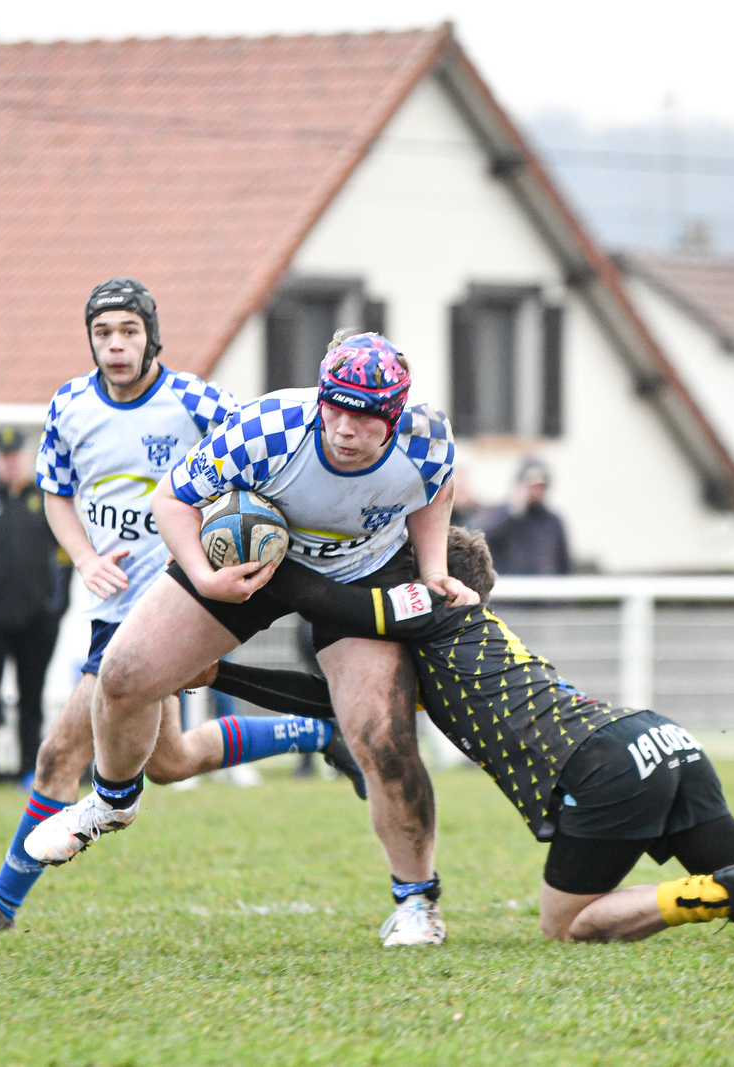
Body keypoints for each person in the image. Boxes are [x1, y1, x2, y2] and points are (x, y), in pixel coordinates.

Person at [189, 528, 734, 943]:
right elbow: (338, 704)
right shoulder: (463, 634)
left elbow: (334, 626)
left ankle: (711, 891)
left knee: (566, 925)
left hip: (604, 766)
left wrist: (267, 580)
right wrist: (225, 672)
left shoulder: (427, 609)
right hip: (659, 738)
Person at [0, 279, 361, 934]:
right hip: (109, 607)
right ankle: (320, 732)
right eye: (103, 333)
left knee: (58, 755)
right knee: (171, 760)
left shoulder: (195, 399)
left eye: (128, 331)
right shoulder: (70, 404)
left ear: (151, 336)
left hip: (169, 606)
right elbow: (56, 493)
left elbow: (268, 451)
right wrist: (84, 557)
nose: (116, 345)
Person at [23, 331, 477, 947]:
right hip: (254, 560)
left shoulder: (428, 437)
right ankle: (111, 801)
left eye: (366, 417)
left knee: (383, 739)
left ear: (394, 416)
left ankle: (417, 900)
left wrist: (434, 569)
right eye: (335, 408)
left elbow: (436, 489)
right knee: (124, 674)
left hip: (359, 572)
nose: (345, 428)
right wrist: (204, 576)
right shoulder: (271, 427)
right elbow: (172, 498)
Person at [0, 426, 67, 782]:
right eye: (4, 456)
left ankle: (29, 769)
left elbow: (66, 557)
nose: (10, 463)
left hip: (38, 620)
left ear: (26, 457)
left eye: (16, 455)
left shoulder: (46, 502)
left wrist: (57, 607)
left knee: (31, 698)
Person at [482, 457, 571, 575]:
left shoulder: (552, 521)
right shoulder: (500, 515)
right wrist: (514, 511)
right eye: (531, 486)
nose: (536, 491)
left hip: (544, 584)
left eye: (540, 486)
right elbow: (485, 540)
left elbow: (563, 562)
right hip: (509, 583)